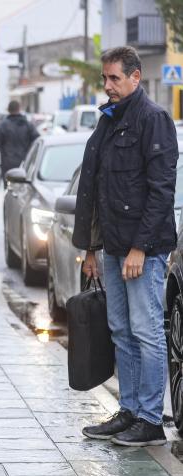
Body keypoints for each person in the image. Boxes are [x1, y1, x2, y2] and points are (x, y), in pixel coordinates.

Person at [74, 46, 178, 447]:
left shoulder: (153, 120)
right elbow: (95, 190)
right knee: (121, 330)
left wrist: (141, 248)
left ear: (136, 77)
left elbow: (160, 192)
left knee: (147, 331)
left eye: (115, 78)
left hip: (141, 252)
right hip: (113, 248)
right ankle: (130, 410)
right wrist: (90, 250)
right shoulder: (108, 120)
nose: (108, 86)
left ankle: (150, 420)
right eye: (105, 79)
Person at [0, 100, 39, 187]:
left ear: (8, 110)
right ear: (19, 109)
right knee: (24, 188)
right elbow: (37, 141)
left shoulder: (2, 126)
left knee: (9, 189)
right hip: (25, 163)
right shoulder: (27, 125)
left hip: (8, 165)